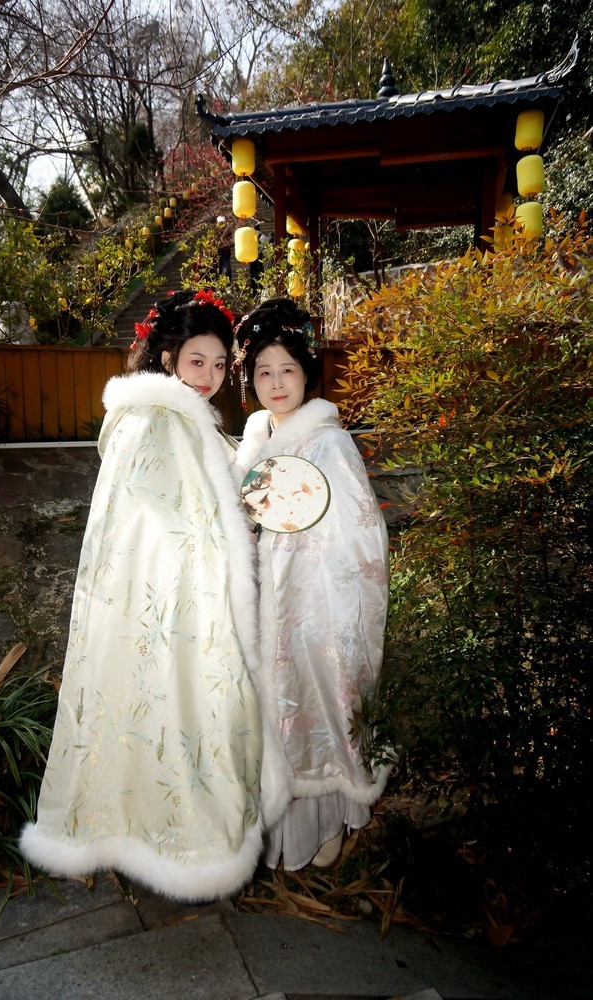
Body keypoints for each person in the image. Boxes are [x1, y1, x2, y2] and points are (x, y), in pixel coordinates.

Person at [21, 289, 288, 902]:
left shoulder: (178, 419)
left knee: (163, 717)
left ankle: (157, 838)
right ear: (167, 358)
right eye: (197, 361)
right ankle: (181, 844)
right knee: (177, 713)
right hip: (169, 600)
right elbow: (160, 518)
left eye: (218, 364)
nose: (209, 376)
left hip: (167, 600)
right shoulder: (155, 421)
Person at [234, 297, 392, 871]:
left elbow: (359, 534)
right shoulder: (255, 437)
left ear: (307, 374)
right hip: (260, 596)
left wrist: (310, 577)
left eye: (288, 370)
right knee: (268, 709)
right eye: (264, 372)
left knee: (313, 700)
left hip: (313, 600)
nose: (276, 383)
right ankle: (272, 828)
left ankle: (327, 821)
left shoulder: (329, 442)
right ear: (250, 380)